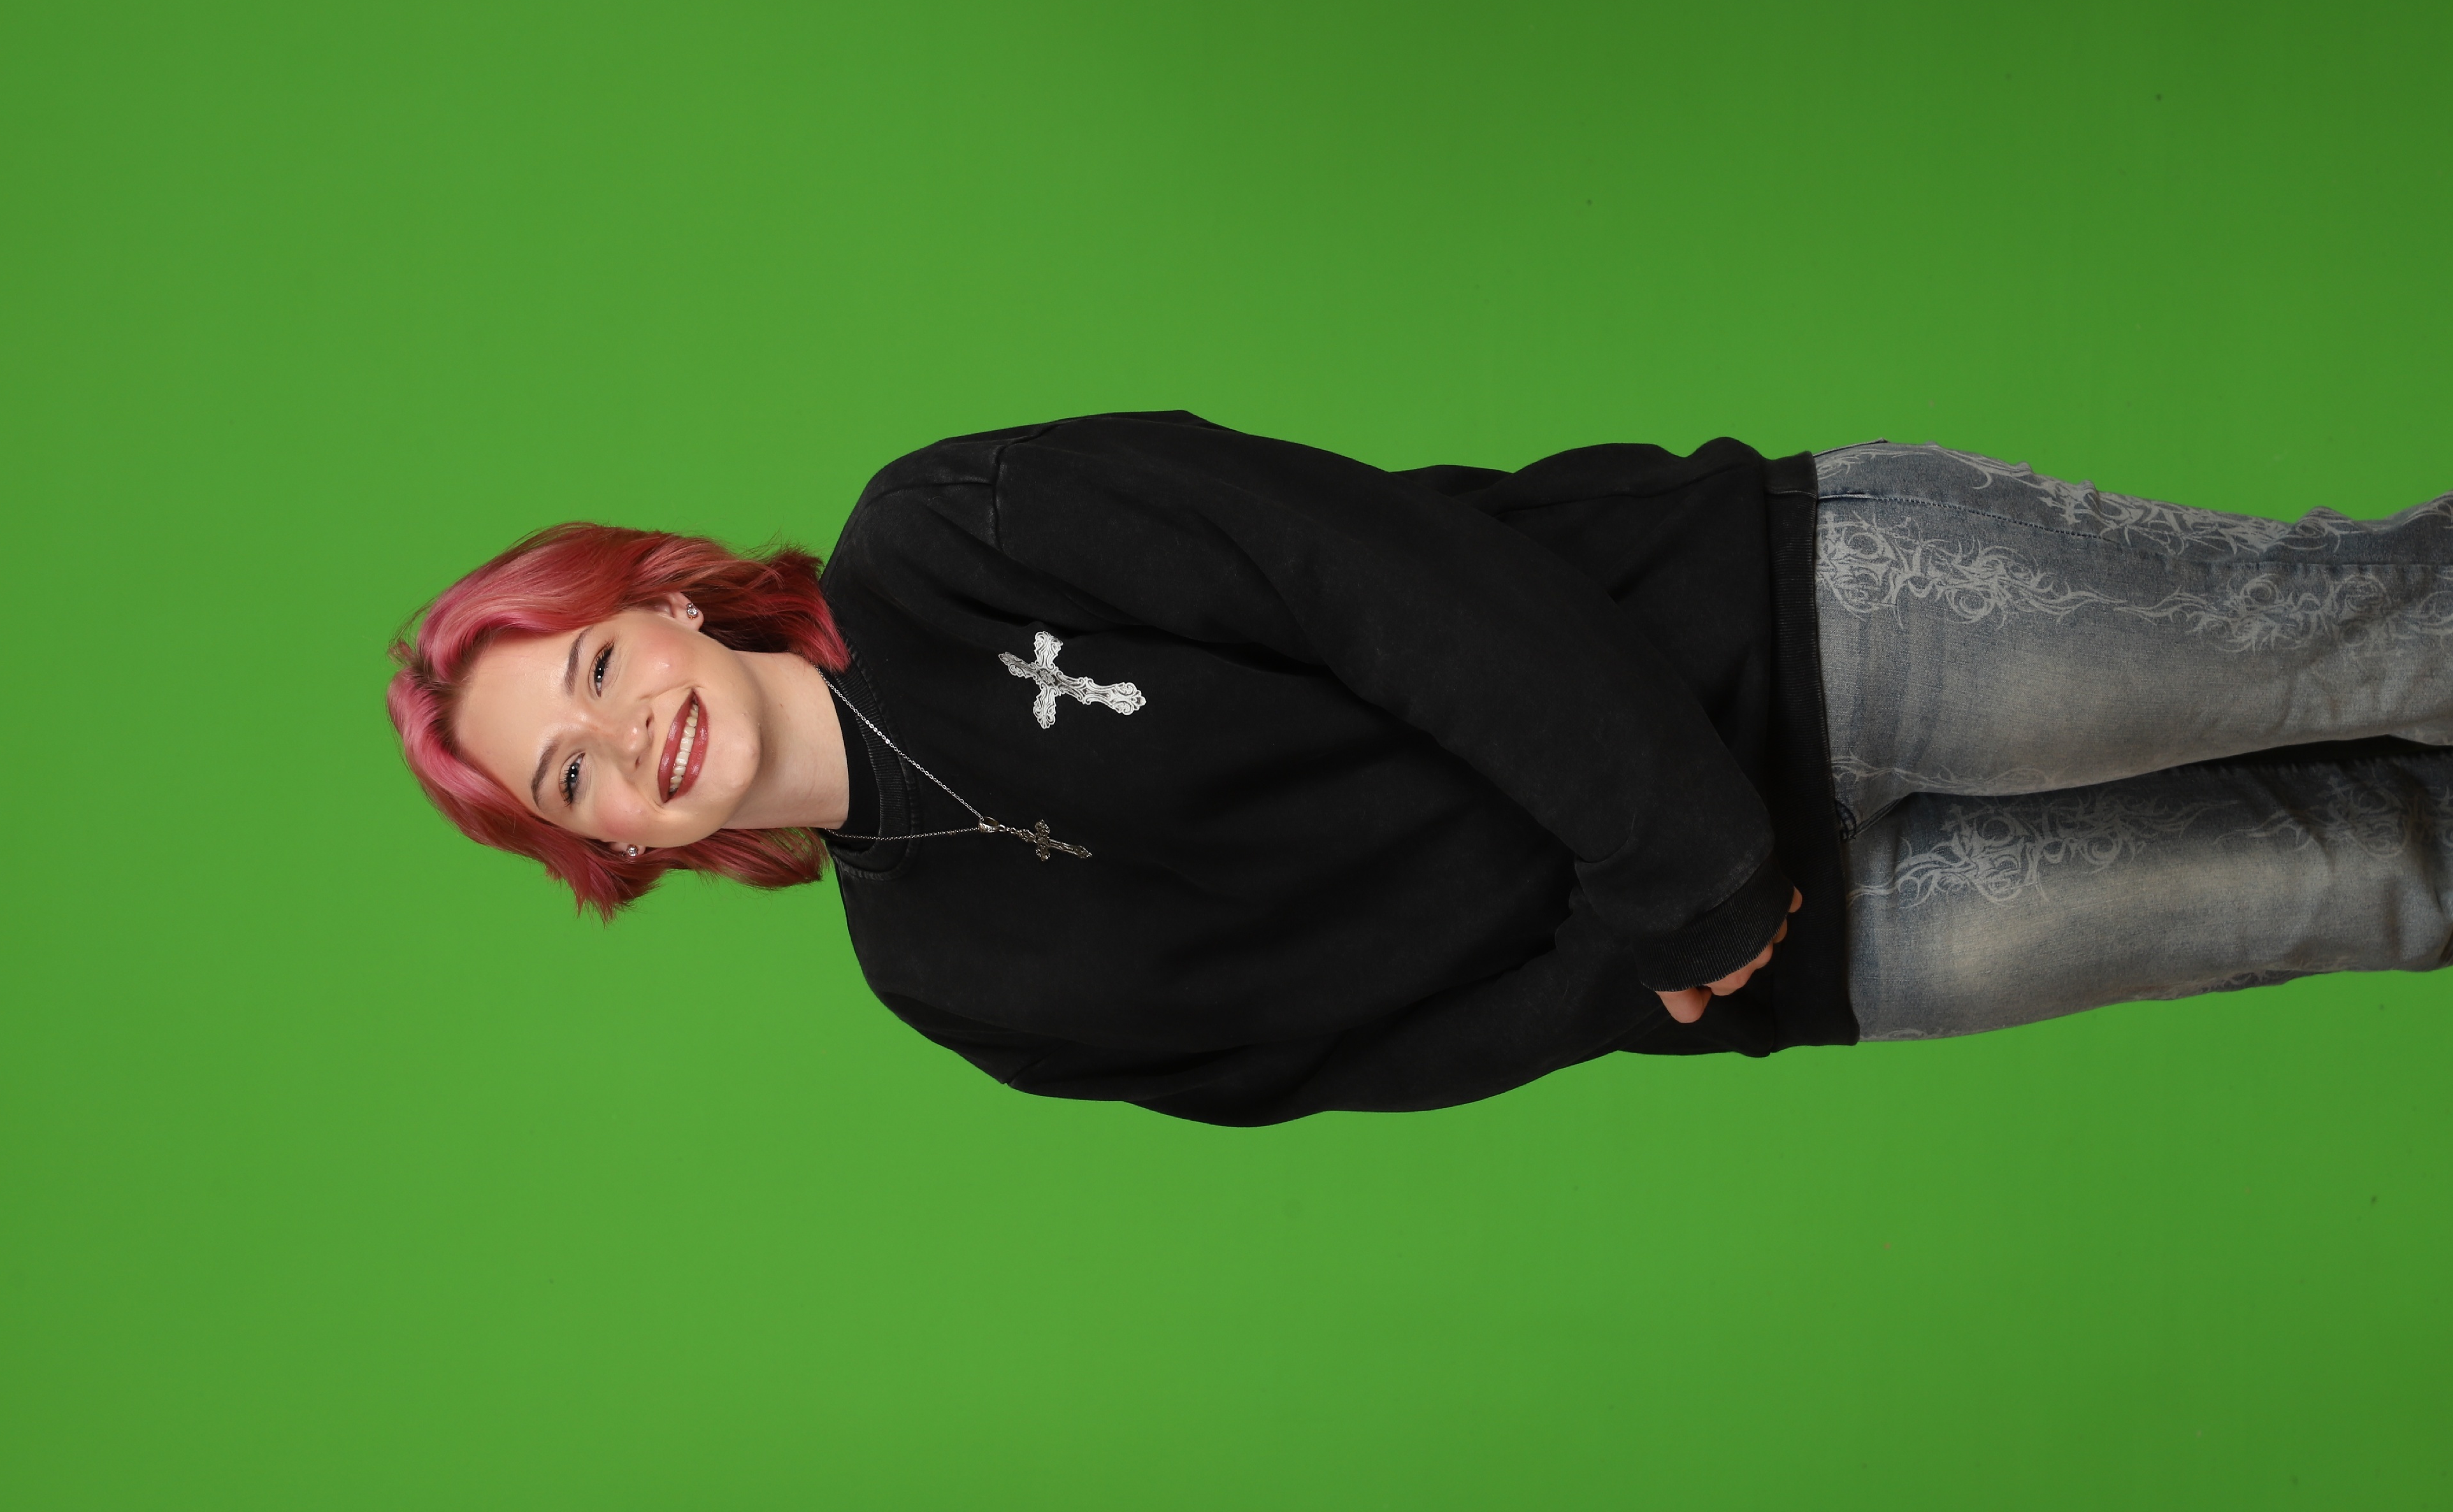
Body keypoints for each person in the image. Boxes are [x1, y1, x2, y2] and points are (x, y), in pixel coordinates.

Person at [387, 412, 2453, 1125]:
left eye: (593, 667)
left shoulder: (947, 535)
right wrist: (1661, 961)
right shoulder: (943, 977)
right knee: (2365, 881)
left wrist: (1682, 858)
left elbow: (1372, 575)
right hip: (1798, 953)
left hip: (1794, 628)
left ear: (670, 599)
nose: (621, 738)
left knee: (2380, 633)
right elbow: (1356, 1050)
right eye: (568, 780)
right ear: (615, 850)